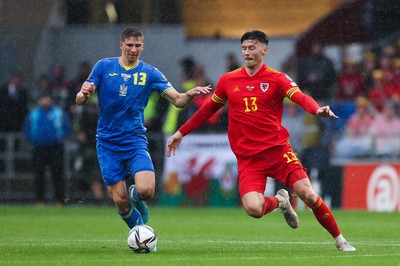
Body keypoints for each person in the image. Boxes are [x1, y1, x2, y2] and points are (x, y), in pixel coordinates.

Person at [166, 30, 356, 252]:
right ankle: (281, 202)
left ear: (264, 50)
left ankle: (340, 240)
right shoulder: (228, 80)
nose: (247, 52)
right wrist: (181, 132)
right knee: (253, 209)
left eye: (252, 48)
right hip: (248, 159)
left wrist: (316, 109)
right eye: (244, 48)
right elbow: (208, 110)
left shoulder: (277, 78)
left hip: (277, 151)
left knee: (309, 194)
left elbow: (300, 97)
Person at [75, 27, 212, 230]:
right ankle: (141, 232)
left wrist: (189, 95)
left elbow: (178, 100)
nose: (133, 49)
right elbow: (79, 99)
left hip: (134, 139)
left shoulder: (149, 73)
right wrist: (84, 94)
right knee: (120, 200)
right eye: (129, 45)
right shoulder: (104, 67)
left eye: (137, 45)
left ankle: (135, 196)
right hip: (107, 142)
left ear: (143, 47)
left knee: (146, 190)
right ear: (121, 45)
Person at [23, 92, 72, 206]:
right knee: (39, 175)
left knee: (58, 175)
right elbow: (26, 130)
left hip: (56, 148)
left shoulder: (58, 113)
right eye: (43, 99)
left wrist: (59, 138)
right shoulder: (34, 114)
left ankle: (59, 201)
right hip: (39, 148)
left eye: (47, 98)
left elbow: (67, 128)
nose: (45, 101)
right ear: (39, 101)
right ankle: (40, 201)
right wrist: (35, 139)